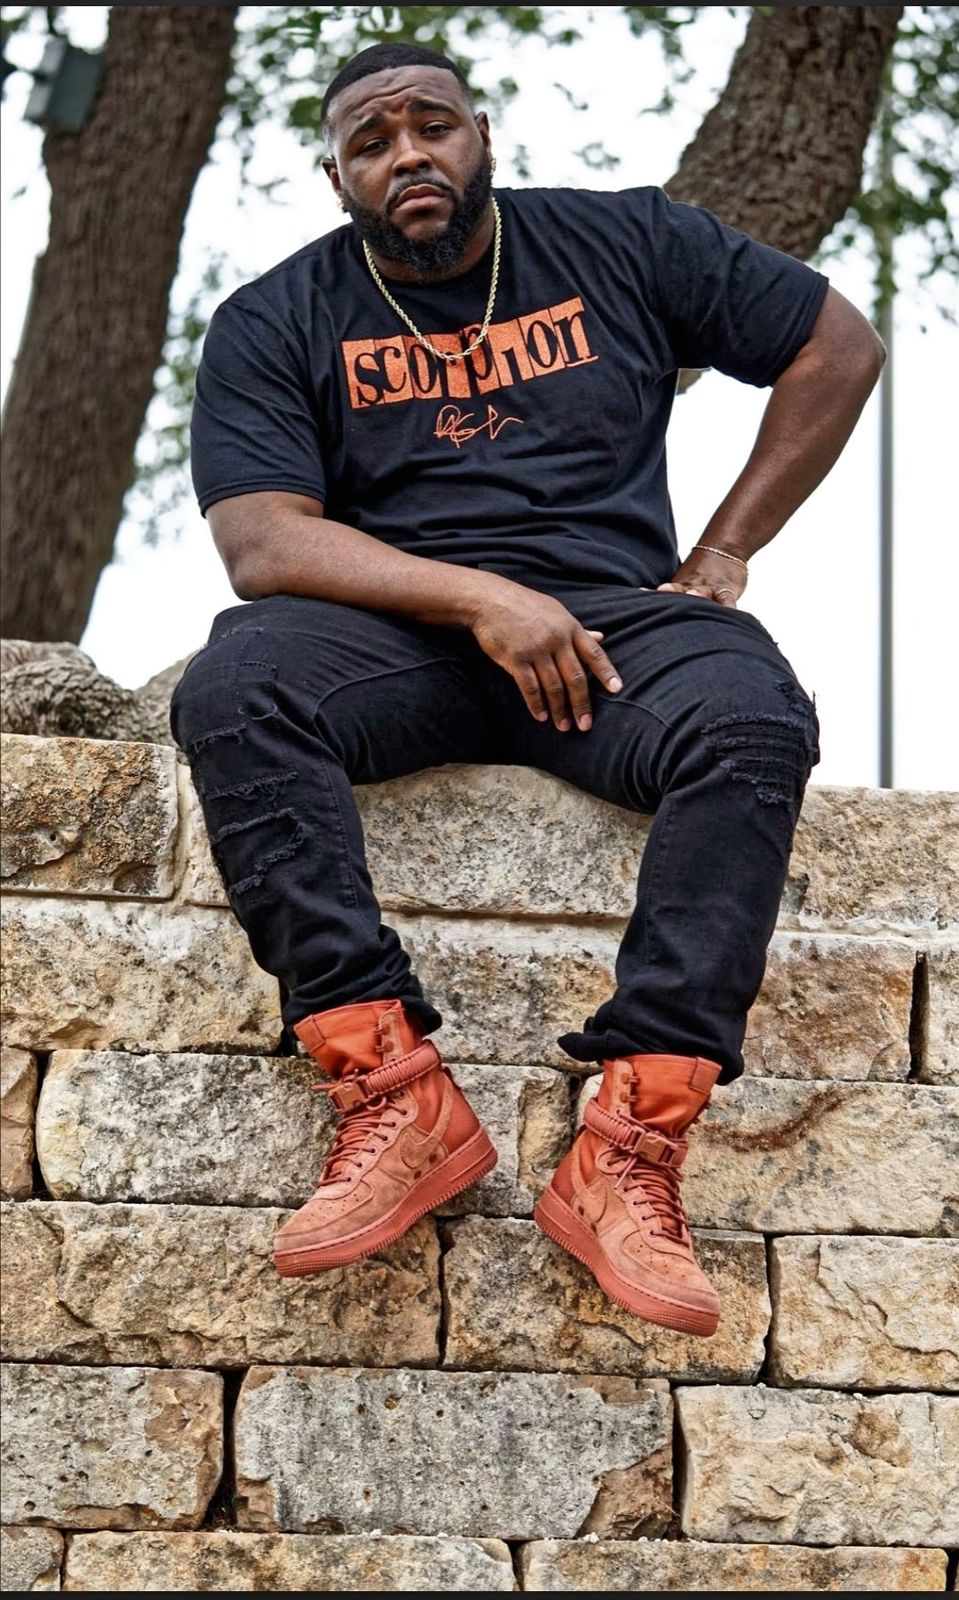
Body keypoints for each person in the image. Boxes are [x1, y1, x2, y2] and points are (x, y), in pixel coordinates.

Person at [171, 42, 884, 1337]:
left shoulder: (627, 243)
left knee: (752, 713)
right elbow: (263, 544)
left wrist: (724, 554)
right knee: (236, 687)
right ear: (336, 177)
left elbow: (837, 345)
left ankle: (632, 1143)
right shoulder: (276, 318)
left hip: (611, 629)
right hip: (400, 635)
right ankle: (391, 1093)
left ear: (482, 134)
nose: (407, 155)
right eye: (371, 142)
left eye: (431, 126)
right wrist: (478, 598)